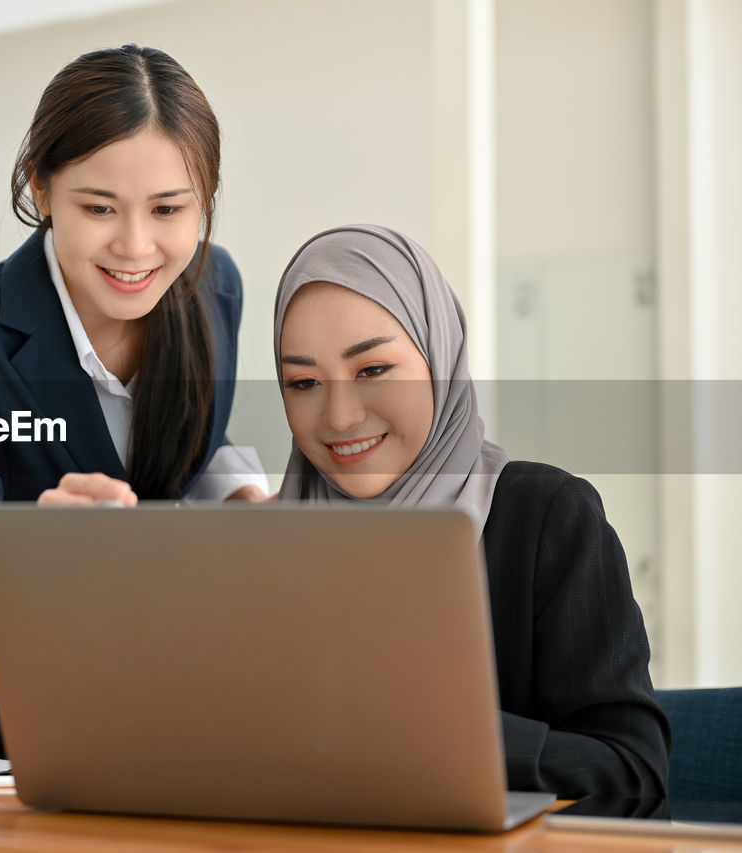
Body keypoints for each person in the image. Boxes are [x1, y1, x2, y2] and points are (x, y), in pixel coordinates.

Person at [0, 44, 266, 758]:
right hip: (14, 717)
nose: (135, 246)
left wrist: (244, 503)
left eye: (168, 209)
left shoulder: (216, 287)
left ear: (207, 201)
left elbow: (192, 448)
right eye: (99, 207)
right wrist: (35, 559)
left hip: (180, 691)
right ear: (40, 190)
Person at [272, 224, 670, 798]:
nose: (338, 417)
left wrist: (432, 731)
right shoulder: (266, 548)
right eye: (304, 381)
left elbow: (632, 776)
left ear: (439, 356)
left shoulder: (545, 520)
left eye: (373, 370)